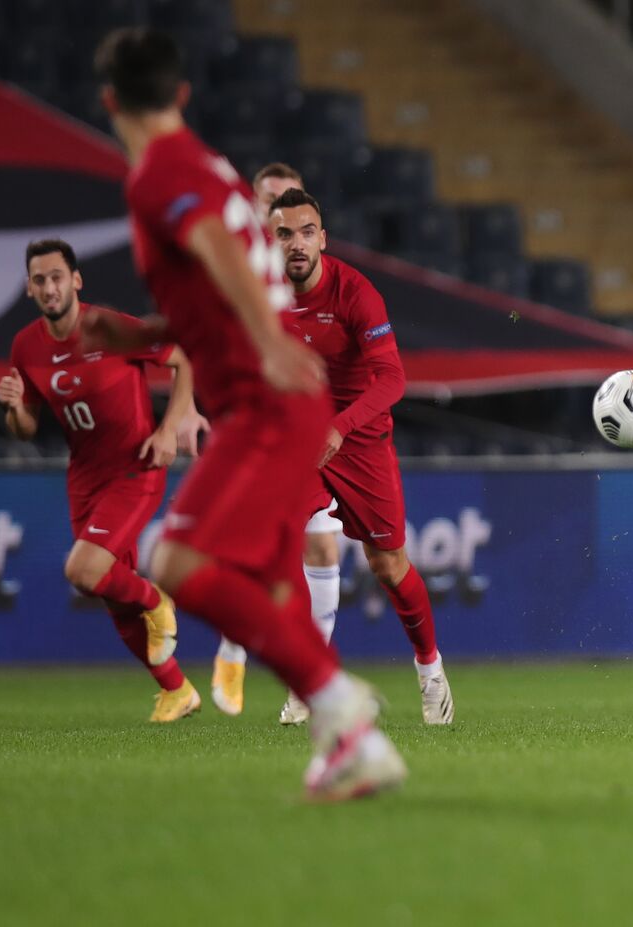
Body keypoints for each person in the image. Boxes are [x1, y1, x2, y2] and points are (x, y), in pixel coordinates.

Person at [92, 27, 405, 798]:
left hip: (270, 403)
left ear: (109, 102)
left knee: (175, 560)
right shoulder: (215, 171)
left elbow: (222, 257)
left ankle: (339, 699)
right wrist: (138, 335)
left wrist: (267, 340)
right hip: (275, 402)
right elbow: (214, 289)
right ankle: (354, 742)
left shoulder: (158, 173)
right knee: (267, 582)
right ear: (183, 95)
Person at [269, 187, 453, 725]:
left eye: (306, 233)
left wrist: (340, 425)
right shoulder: (260, 294)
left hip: (360, 436)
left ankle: (430, 668)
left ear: (322, 239)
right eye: (285, 234)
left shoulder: (354, 292)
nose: (296, 244)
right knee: (293, 543)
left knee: (388, 566)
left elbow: (393, 377)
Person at [0, 239, 202, 722]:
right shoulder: (26, 346)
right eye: (40, 280)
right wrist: (12, 409)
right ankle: (176, 690)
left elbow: (182, 360)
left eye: (56, 277)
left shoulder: (108, 327)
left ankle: (157, 600)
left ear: (76, 281)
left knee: (83, 571)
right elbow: (26, 430)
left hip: (135, 466)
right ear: (29, 288)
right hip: (84, 475)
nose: (49, 287)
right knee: (112, 595)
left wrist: (169, 428)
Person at [208, 161, 346, 720]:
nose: (285, 231)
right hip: (256, 427)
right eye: (273, 216)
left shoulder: (320, 280)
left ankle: (308, 684)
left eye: (296, 224)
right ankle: (235, 649)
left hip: (304, 430)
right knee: (239, 548)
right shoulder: (240, 279)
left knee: (318, 544)